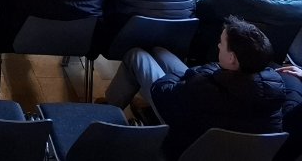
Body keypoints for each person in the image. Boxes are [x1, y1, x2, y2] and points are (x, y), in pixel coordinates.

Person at [109, 16, 287, 159]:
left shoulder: (204, 88)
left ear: (232, 58)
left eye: (222, 44)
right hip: (224, 145)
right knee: (159, 51)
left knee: (136, 56)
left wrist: (189, 76)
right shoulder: (274, 86)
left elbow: (161, 91)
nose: (218, 45)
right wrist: (194, 76)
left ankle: (109, 111)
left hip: (185, 139)